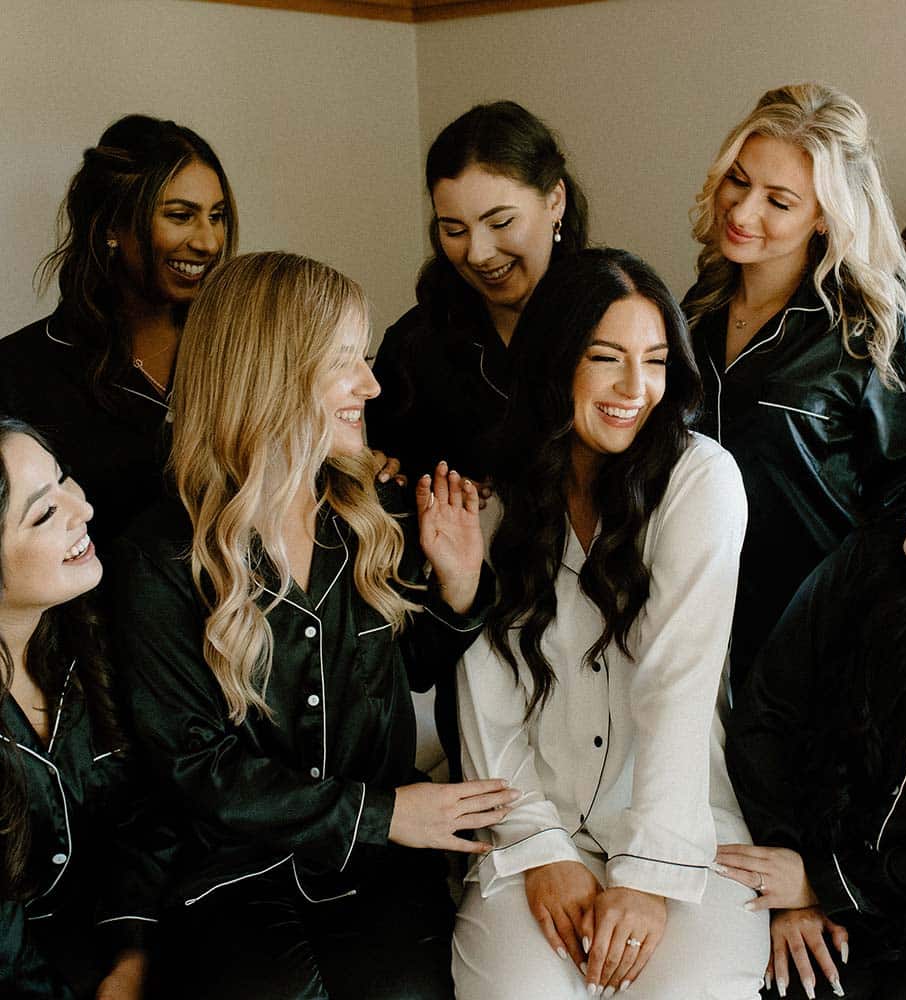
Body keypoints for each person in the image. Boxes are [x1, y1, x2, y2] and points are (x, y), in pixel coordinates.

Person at [111, 252, 515, 1000]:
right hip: (233, 874)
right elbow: (197, 766)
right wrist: (382, 812)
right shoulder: (160, 556)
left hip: (378, 870)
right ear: (270, 377)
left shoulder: (375, 513)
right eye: (344, 364)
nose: (371, 384)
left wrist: (460, 588)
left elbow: (412, 666)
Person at [453, 249, 770, 998]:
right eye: (607, 358)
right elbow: (485, 678)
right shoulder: (497, 495)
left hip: (684, 831)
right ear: (556, 361)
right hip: (536, 823)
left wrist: (649, 874)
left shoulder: (702, 482)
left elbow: (679, 683)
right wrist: (536, 845)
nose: (637, 389)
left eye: (656, 361)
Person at [722, 394, 906, 999]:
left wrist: (827, 883)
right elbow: (767, 715)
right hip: (790, 866)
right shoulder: (872, 562)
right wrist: (793, 878)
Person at [683, 82, 906, 689]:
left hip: (807, 640)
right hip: (690, 616)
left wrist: (852, 619)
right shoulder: (695, 309)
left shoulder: (863, 330)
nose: (743, 213)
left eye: (779, 200)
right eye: (738, 181)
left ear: (823, 215)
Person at [0, 115, 238, 545]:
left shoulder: (239, 351)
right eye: (181, 215)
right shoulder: (19, 373)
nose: (209, 242)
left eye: (217, 216)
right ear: (112, 224)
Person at [0, 417, 161, 999]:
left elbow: (143, 810)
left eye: (65, 478)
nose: (83, 509)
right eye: (44, 513)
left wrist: (133, 949)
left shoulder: (89, 634)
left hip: (136, 940)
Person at [367, 99, 589, 488]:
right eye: (454, 230)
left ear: (555, 200)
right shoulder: (411, 348)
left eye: (500, 222)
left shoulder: (614, 325)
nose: (477, 253)